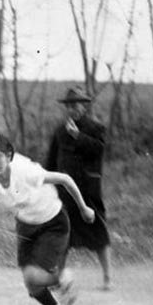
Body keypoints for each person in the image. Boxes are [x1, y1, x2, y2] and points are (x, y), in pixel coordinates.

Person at [0, 133, 95, 305]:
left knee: (35, 275)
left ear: (9, 156)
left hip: (53, 221)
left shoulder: (25, 171)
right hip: (26, 225)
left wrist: (83, 208)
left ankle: (63, 278)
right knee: (31, 283)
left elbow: (64, 179)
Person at [45, 86, 112, 290]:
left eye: (75, 105)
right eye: (69, 106)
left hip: (88, 190)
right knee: (62, 234)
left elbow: (99, 150)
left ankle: (108, 277)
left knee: (98, 234)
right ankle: (57, 277)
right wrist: (46, 182)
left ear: (84, 106)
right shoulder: (59, 130)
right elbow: (51, 160)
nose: (72, 109)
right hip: (64, 192)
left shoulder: (95, 128)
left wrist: (78, 136)